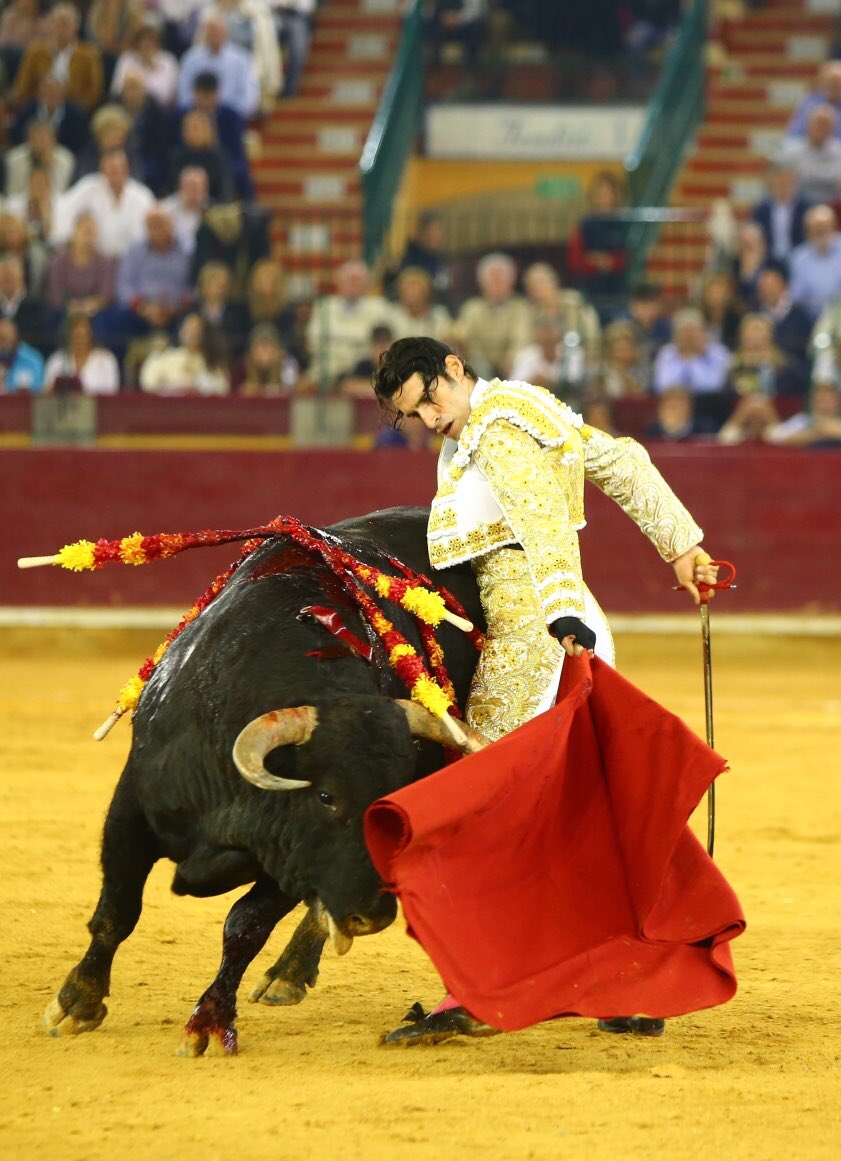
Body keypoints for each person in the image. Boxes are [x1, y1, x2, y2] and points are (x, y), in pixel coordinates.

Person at [371, 335, 719, 1045]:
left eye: (431, 398)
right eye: (415, 415)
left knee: (480, 805)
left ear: (454, 369)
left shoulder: (497, 426)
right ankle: (631, 981)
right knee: (586, 813)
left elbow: (541, 524)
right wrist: (680, 544)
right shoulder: (520, 408)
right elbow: (621, 460)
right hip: (564, 623)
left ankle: (472, 987)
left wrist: (560, 610)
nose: (431, 419)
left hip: (537, 632)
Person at [452, 252, 533, 379]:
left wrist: (510, 360)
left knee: (526, 358)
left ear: (510, 282)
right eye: (492, 280)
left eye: (501, 279)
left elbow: (521, 341)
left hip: (511, 369)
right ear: (482, 283)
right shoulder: (472, 308)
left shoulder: (521, 308)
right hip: (479, 366)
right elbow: (462, 335)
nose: (497, 284)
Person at [11, 2, 104, 112]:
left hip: (74, 110)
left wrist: (73, 108)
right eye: (57, 25)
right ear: (50, 26)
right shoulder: (35, 52)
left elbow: (95, 92)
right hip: (39, 108)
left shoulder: (89, 55)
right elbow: (23, 88)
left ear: (75, 27)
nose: (60, 30)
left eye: (65, 25)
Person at [139, 310, 230, 394]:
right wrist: (176, 386)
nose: (192, 333)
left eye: (197, 329)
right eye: (188, 327)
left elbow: (221, 388)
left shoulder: (211, 361)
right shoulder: (164, 356)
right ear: (180, 331)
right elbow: (148, 383)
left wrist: (197, 381)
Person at [776, 105, 841, 205]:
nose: (821, 129)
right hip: (798, 209)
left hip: (834, 210)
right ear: (808, 125)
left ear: (832, 128)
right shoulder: (790, 153)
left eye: (825, 125)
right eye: (818, 124)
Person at [44, 311, 121, 394]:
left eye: (84, 336)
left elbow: (113, 395)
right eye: (77, 336)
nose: (80, 341)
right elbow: (45, 393)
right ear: (69, 336)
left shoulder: (106, 360)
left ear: (91, 335)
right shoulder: (57, 360)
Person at [788, 203, 841, 319]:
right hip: (810, 318)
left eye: (823, 226)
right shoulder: (799, 258)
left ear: (833, 226)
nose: (819, 231)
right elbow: (797, 297)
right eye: (814, 228)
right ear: (807, 231)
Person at [750, 164, 811, 263]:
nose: (783, 183)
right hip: (769, 260)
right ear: (771, 182)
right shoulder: (761, 209)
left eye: (786, 180)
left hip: (800, 258)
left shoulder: (806, 207)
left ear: (794, 181)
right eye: (779, 179)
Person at [0, 316, 45, 392]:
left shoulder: (33, 360)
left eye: (7, 338)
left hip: (24, 403)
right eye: (2, 338)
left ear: (16, 336)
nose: (5, 345)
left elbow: (39, 391)